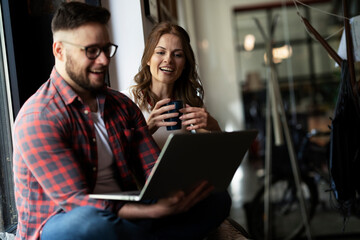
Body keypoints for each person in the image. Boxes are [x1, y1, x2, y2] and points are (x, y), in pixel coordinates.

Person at [12, 2, 231, 240]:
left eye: (107, 49)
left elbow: (152, 170)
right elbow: (78, 200)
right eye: (92, 51)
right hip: (67, 220)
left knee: (214, 199)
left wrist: (176, 194)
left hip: (128, 215)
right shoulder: (38, 117)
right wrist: (155, 210)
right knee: (91, 224)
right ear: (59, 51)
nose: (104, 60)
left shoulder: (122, 106)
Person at [125, 22, 221, 148]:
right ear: (148, 58)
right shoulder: (128, 100)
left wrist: (212, 124)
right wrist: (147, 129)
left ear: (185, 63)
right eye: (160, 52)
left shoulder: (189, 102)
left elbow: (214, 149)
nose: (168, 60)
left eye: (177, 55)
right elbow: (120, 156)